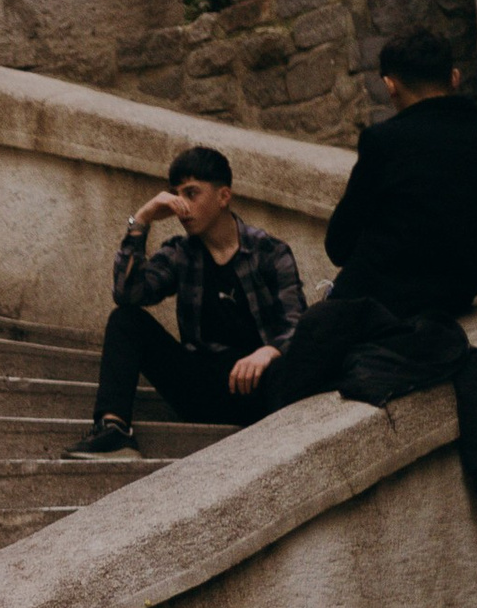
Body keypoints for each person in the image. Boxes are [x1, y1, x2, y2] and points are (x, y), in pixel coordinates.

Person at [246, 27, 477, 496]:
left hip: (369, 309)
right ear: (452, 77)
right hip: (449, 304)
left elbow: (338, 246)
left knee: (280, 383)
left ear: (390, 84)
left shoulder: (385, 143)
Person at [72, 145, 307, 457]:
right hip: (201, 388)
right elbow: (128, 294)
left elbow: (299, 325)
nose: (181, 205)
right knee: (125, 320)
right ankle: (114, 430)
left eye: (192, 193)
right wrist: (142, 219)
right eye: (176, 194)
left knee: (288, 363)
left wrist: (268, 351)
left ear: (224, 196)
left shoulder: (269, 253)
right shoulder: (181, 253)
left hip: (259, 389)